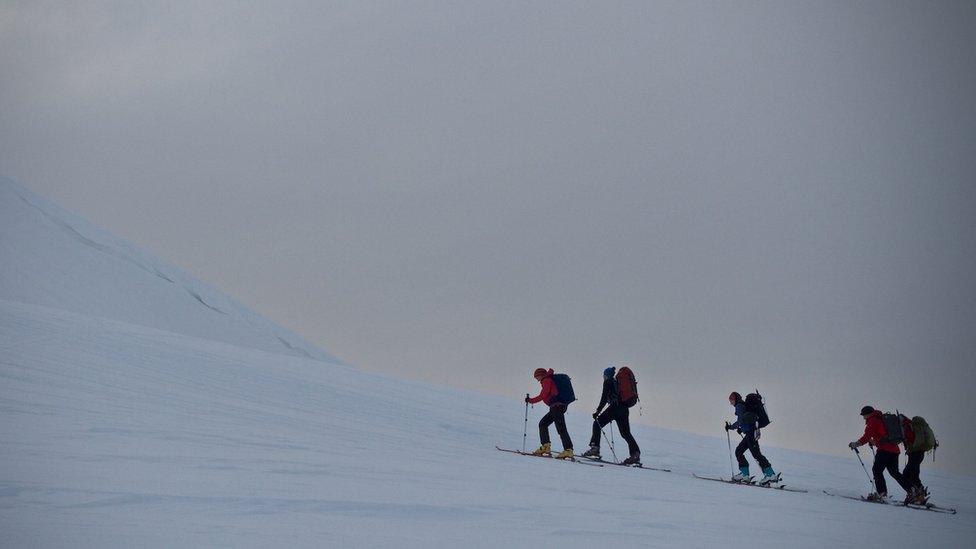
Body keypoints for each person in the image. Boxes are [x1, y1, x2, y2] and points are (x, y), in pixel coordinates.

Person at [849, 405, 911, 502]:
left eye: (863, 415)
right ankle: (913, 490)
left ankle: (882, 493)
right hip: (894, 450)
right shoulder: (881, 419)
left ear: (868, 414)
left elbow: (866, 436)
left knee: (877, 470)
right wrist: (875, 442)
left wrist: (856, 444)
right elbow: (883, 435)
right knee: (894, 472)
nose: (863, 417)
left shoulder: (873, 420)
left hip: (884, 450)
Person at [581, 367, 641, 464]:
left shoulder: (608, 382)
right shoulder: (616, 383)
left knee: (597, 424)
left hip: (615, 408)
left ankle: (594, 449)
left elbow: (604, 398)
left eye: (604, 376)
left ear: (607, 375)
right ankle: (635, 454)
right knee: (625, 433)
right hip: (624, 409)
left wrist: (598, 411)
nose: (604, 378)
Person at [725, 391, 779, 485]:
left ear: (736, 399)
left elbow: (740, 421)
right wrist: (742, 429)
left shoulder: (739, 406)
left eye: (732, 400)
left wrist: (731, 427)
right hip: (751, 432)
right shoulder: (743, 405)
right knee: (739, 451)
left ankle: (770, 475)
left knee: (756, 454)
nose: (731, 403)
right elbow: (747, 419)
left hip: (751, 433)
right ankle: (745, 475)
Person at [526, 368, 574, 459]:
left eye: (537, 377)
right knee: (543, 423)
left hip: (557, 406)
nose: (537, 379)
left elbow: (543, 395)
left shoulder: (547, 380)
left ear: (540, 375)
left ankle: (568, 450)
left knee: (560, 427)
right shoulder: (548, 379)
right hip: (557, 406)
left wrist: (530, 400)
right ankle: (546, 446)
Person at [900, 414, 930, 505]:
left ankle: (918, 496)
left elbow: (911, 439)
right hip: (919, 453)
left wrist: (905, 441)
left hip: (915, 453)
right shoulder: (911, 426)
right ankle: (918, 496)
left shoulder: (907, 427)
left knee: (908, 475)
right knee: (912, 474)